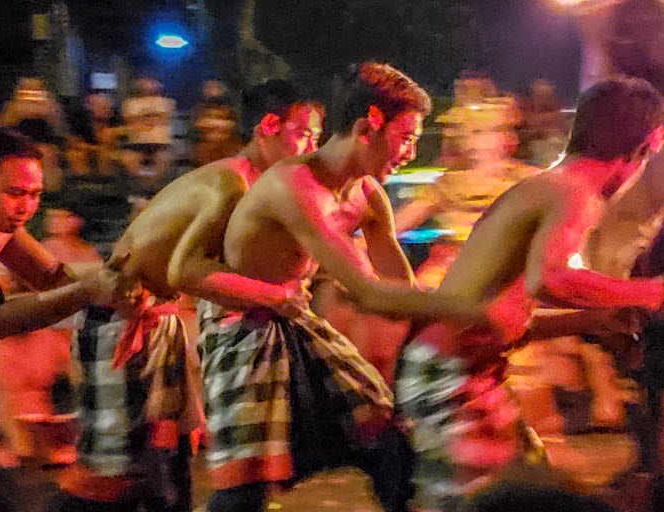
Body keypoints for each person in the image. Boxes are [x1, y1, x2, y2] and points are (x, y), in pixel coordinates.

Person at [214, 61, 493, 512]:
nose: (409, 154)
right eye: (406, 139)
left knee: (387, 444)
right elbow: (367, 293)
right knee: (243, 490)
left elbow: (400, 289)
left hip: (299, 321)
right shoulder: (295, 186)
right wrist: (472, 309)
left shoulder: (367, 196)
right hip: (243, 328)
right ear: (369, 125)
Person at [48, 79, 324, 512]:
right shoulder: (233, 185)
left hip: (161, 319)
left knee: (169, 467)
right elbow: (187, 270)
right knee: (112, 478)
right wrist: (274, 295)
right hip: (122, 317)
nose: (312, 148)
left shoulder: (256, 187)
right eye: (304, 134)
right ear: (269, 126)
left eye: (316, 137)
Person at [394, 76, 664, 511]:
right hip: (451, 377)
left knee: (528, 489)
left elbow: (507, 317)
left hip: (463, 373)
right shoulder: (574, 194)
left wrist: (587, 319)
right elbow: (550, 279)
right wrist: (648, 292)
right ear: (642, 149)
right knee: (487, 504)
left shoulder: (546, 186)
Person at [0, 127, 121, 511]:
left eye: (35, 195)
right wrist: (92, 290)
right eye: (16, 193)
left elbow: (52, 276)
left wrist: (127, 279)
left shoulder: (1, 223)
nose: (26, 206)